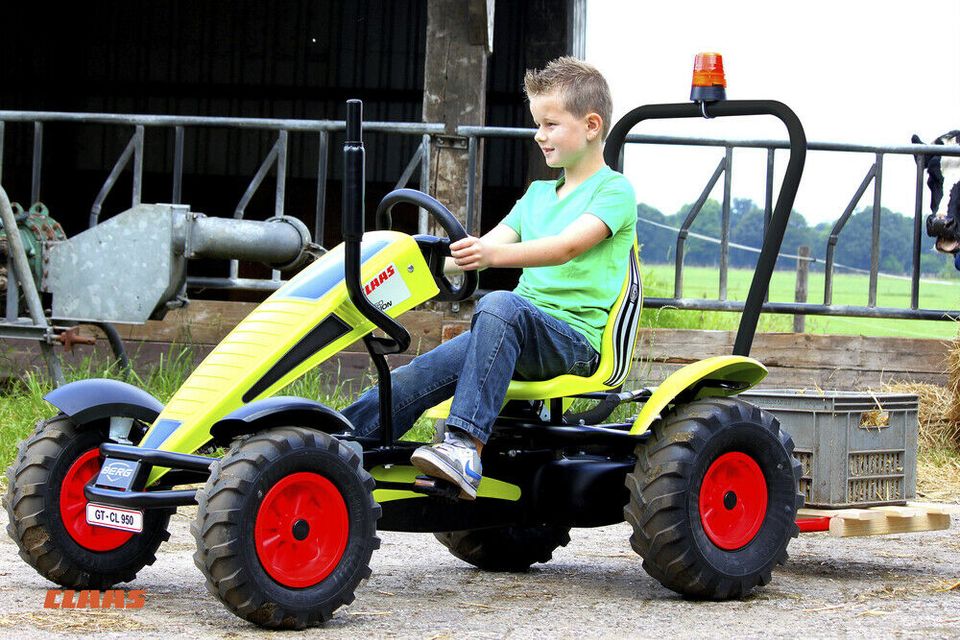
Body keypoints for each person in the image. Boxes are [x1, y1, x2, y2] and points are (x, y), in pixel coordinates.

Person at [341, 56, 637, 500]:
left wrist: (491, 253)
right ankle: (335, 446)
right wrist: (398, 264)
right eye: (538, 124)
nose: (539, 135)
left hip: (573, 342)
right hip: (515, 333)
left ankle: (463, 447)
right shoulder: (538, 195)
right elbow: (479, 249)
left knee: (499, 303)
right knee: (413, 376)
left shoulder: (614, 191)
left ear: (591, 125)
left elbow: (566, 247)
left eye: (551, 124)